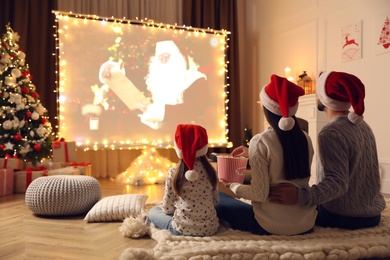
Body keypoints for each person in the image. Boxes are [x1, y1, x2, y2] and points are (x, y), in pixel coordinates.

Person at [269, 71, 386, 230]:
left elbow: (337, 183)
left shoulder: (330, 133)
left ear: (325, 98)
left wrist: (300, 196)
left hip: (344, 217)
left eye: (318, 91)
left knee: (281, 213)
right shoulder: (364, 126)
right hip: (373, 215)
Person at [215, 74, 317, 235]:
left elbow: (259, 194)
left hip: (269, 226)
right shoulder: (305, 138)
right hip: (306, 223)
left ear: (266, 109)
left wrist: (233, 185)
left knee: (219, 198)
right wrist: (252, 153)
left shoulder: (261, 141)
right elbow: (284, 157)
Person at [148, 124, 219, 236]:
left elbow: (167, 209)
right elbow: (215, 202)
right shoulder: (211, 171)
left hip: (181, 229)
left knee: (153, 212)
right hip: (210, 229)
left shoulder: (174, 172)